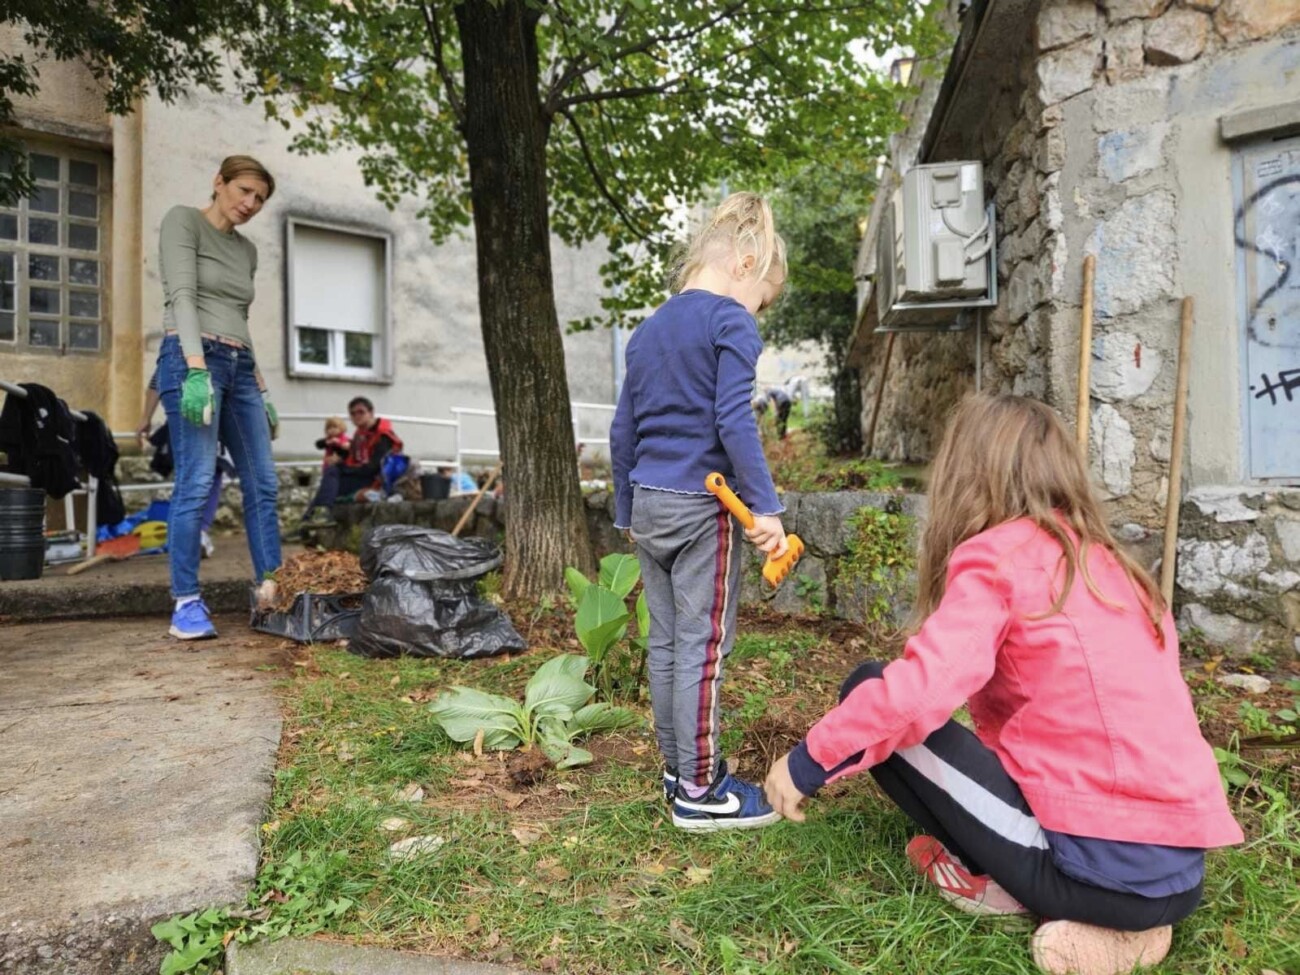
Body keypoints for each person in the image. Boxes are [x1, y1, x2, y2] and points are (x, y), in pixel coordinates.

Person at [763, 394, 1243, 975]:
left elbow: (917, 692)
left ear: (967, 476)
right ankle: (1134, 920)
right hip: (1180, 872)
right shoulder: (1112, 563)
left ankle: (1081, 916)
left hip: (1096, 876)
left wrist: (808, 760)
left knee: (870, 687)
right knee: (899, 709)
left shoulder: (999, 556)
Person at [610, 192, 789, 831]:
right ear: (746, 263)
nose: (757, 312)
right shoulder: (729, 322)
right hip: (701, 506)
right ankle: (702, 789)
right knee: (703, 648)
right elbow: (734, 419)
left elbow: (622, 428)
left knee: (664, 643)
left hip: (650, 503)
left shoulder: (649, 329)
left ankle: (674, 766)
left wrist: (624, 506)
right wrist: (764, 506)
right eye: (763, 297)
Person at [155, 155, 282, 641]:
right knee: (197, 480)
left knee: (263, 483)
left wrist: (263, 389)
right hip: (192, 358)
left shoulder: (247, 251)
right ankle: (186, 603)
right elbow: (183, 295)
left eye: (260, 199)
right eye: (245, 191)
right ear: (219, 183)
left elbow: (241, 322)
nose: (250, 204)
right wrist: (194, 370)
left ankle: (272, 592)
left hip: (241, 369)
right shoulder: (181, 221)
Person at [137, 368, 224, 558]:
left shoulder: (173, 345)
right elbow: (158, 377)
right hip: (205, 414)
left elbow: (158, 377)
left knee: (192, 475)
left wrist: (146, 417)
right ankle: (196, 532)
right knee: (210, 474)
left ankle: (189, 534)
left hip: (190, 416)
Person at [301, 397, 403, 523]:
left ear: (371, 413)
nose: (357, 416)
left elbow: (374, 467)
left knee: (332, 477)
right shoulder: (359, 435)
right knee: (329, 482)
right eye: (353, 413)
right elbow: (353, 459)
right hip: (361, 476)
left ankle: (311, 519)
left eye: (361, 412)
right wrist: (340, 461)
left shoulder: (383, 436)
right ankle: (311, 520)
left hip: (377, 481)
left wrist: (342, 466)